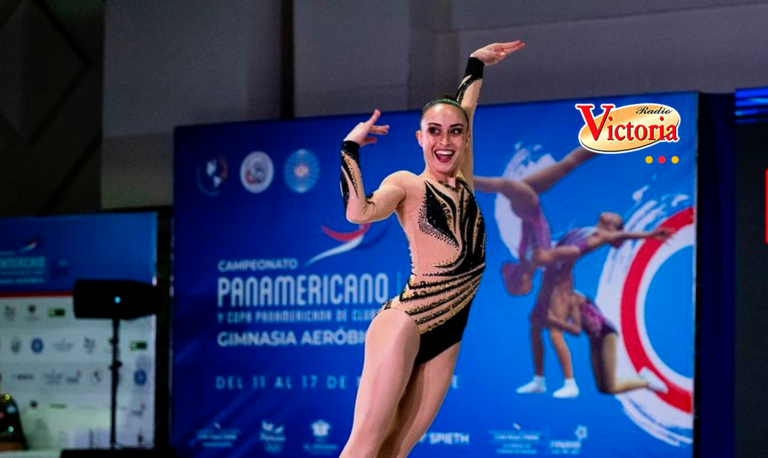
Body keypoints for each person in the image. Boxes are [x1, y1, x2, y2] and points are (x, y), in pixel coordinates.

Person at [338, 41, 525, 458]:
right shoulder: (407, 183)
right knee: (365, 446)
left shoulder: (465, 183)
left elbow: (466, 110)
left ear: (464, 138)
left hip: (449, 330)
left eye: (455, 132)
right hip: (405, 323)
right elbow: (359, 212)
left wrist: (476, 64)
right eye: (435, 131)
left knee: (396, 450)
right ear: (420, 138)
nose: (446, 140)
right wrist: (350, 150)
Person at [516, 213, 673, 398]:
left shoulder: (599, 238)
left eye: (615, 222)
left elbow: (573, 330)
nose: (611, 215)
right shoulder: (580, 233)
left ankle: (642, 380)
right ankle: (539, 379)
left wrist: (648, 235)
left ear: (613, 229)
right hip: (593, 334)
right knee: (605, 387)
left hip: (605, 333)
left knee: (609, 386)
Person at [474, 146, 597, 296]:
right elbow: (569, 251)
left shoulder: (530, 258)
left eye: (524, 287)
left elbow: (532, 230)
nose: (529, 286)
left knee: (504, 186)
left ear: (523, 279)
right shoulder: (538, 261)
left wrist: (539, 247)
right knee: (567, 165)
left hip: (527, 208)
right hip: (530, 206)